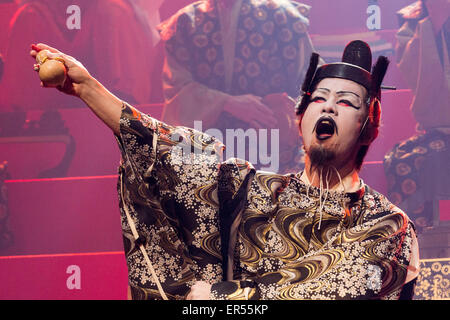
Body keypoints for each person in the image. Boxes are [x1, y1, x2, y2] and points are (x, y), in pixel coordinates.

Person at [29, 39, 419, 300]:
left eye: (347, 102)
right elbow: (170, 155)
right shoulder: (250, 192)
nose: (329, 107)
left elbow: (335, 286)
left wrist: (221, 297)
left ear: (370, 125)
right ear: (299, 118)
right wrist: (88, 88)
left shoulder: (387, 224)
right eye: (319, 98)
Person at [158, 0, 318, 173]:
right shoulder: (185, 23)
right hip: (208, 151)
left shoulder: (285, 17)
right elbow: (177, 90)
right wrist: (226, 103)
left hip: (275, 152)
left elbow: (313, 83)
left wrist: (287, 114)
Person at [384, 0, 450, 232]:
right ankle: (422, 250)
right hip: (438, 131)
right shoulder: (411, 22)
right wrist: (434, 26)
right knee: (404, 163)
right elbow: (425, 92)